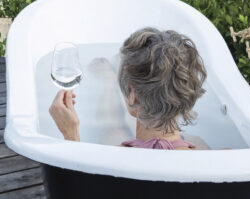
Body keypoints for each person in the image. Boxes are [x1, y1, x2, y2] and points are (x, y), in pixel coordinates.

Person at [48, 27, 209, 149]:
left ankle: (109, 81)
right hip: (179, 144)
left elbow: (76, 189)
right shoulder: (207, 155)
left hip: (130, 142)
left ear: (133, 97)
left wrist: (71, 133)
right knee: (191, 139)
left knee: (114, 129)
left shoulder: (116, 158)